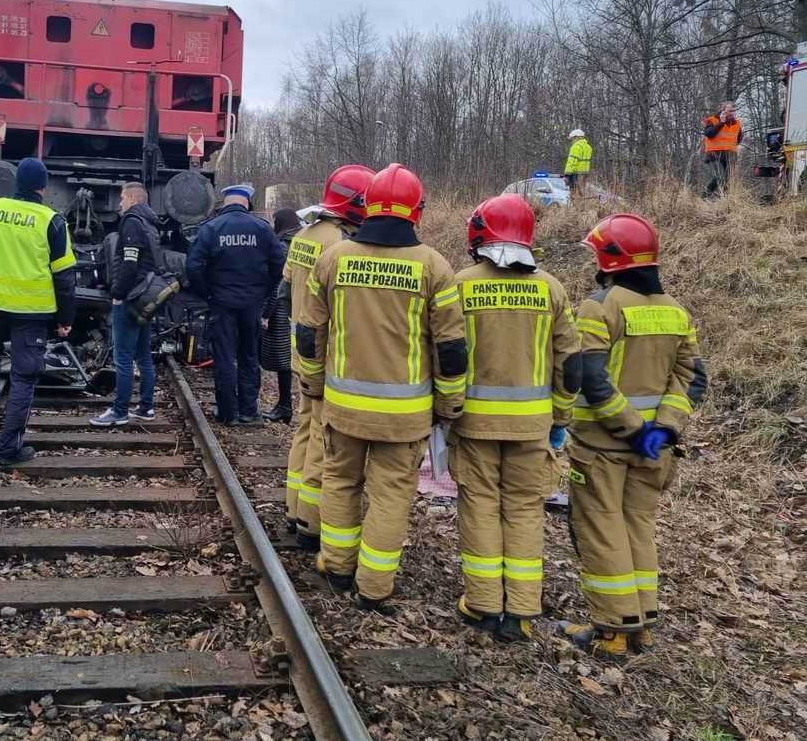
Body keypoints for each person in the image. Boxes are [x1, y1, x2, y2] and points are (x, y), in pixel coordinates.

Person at [300, 164, 468, 609]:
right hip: (405, 416)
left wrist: (312, 382)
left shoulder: (334, 258)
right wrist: (449, 405)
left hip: (343, 408)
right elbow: (451, 348)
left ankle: (336, 566)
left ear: (368, 206)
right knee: (391, 496)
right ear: (418, 211)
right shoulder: (435, 267)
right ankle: (375, 587)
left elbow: (308, 331)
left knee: (340, 482)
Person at [560, 213, 707, 656]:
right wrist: (664, 427)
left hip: (602, 448)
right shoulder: (676, 311)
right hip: (654, 451)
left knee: (601, 529)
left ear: (608, 258)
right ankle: (643, 623)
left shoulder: (598, 307)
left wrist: (633, 427)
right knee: (638, 527)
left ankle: (612, 630)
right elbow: (692, 379)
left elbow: (592, 378)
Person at [450, 194, 581, 643]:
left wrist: (445, 410)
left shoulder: (461, 285)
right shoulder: (552, 288)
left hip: (474, 423)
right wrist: (561, 416)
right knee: (525, 511)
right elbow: (571, 362)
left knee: (481, 506)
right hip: (534, 426)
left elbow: (445, 354)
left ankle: (484, 603)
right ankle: (522, 611)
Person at [281, 165, 374, 550]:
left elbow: (288, 287)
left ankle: (294, 507)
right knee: (324, 439)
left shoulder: (305, 232)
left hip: (300, 352)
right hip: (324, 355)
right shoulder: (338, 242)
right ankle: (311, 522)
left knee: (304, 430)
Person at [0, 157, 76, 465]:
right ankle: (9, 449)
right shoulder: (51, 220)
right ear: (43, 187)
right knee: (24, 377)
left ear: (16, 182)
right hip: (31, 312)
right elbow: (64, 277)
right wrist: (65, 320)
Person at [186, 183, 283, 427]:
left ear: (226, 203)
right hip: (252, 303)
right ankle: (249, 411)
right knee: (249, 355)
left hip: (221, 302)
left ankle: (228, 412)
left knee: (225, 356)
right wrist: (262, 291)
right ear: (246, 203)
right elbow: (280, 265)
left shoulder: (211, 229)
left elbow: (193, 267)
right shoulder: (262, 229)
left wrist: (208, 293)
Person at [90, 182, 161, 427]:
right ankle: (145, 407)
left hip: (130, 298)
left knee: (123, 357)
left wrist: (117, 293)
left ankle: (119, 411)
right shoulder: (150, 224)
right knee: (143, 356)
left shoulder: (131, 222)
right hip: (145, 298)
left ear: (132, 198)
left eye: (122, 198)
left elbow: (130, 263)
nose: (119, 203)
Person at [258, 208, 302, 424]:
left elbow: (279, 283)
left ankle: (285, 406)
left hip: (282, 309)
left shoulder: (284, 246)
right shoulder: (303, 241)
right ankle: (285, 405)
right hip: (299, 306)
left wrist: (266, 314)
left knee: (283, 360)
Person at [702, 101, 742, 197]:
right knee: (719, 177)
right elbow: (709, 134)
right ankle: (705, 196)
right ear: (723, 111)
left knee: (728, 180)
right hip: (714, 154)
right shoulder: (712, 120)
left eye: (734, 111)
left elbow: (739, 139)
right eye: (730, 111)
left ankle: (723, 200)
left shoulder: (737, 123)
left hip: (730, 155)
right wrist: (721, 123)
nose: (732, 113)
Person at [564, 129, 593, 194]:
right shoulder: (588, 147)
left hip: (575, 174)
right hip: (585, 174)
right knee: (582, 194)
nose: (572, 141)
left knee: (574, 195)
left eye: (572, 139)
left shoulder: (576, 147)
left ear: (576, 137)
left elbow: (572, 162)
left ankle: (576, 203)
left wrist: (567, 175)